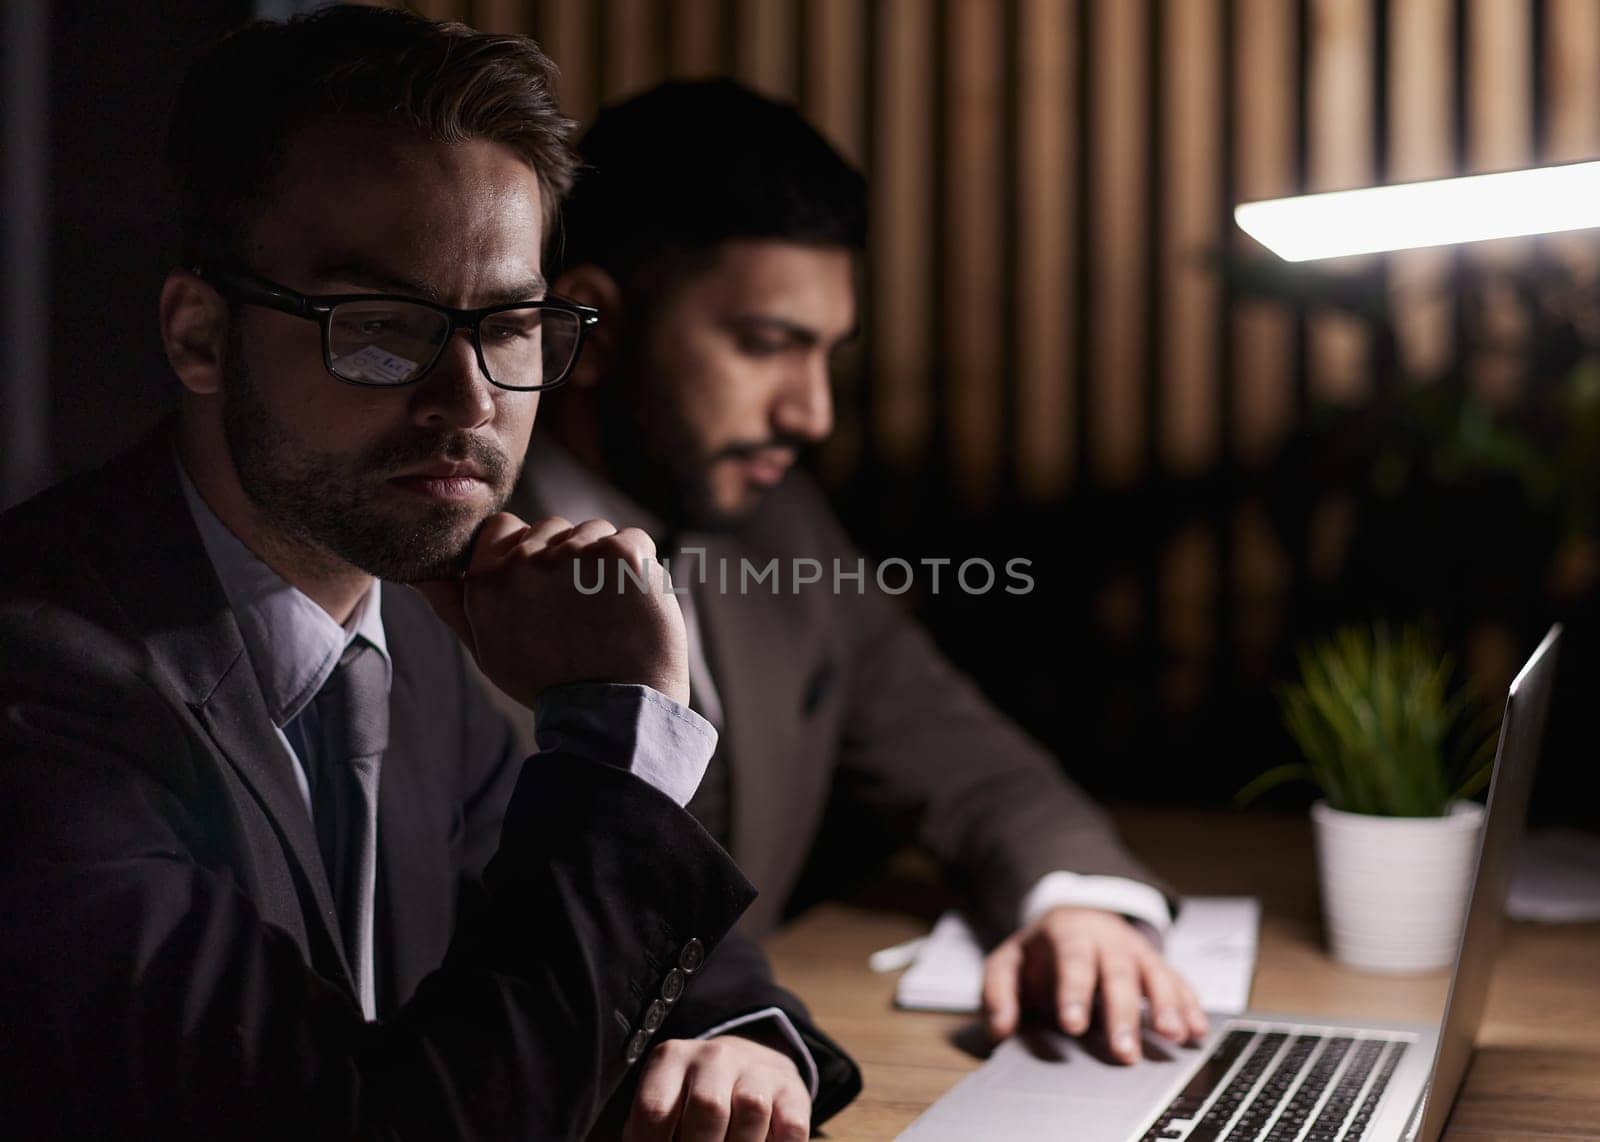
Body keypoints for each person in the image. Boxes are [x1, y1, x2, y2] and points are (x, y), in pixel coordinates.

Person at [0, 13, 858, 1140]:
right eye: (380, 326)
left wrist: (742, 1032)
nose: (468, 403)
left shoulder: (398, 607)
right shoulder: (41, 686)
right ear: (200, 336)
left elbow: (575, 920)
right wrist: (617, 733)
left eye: (508, 324)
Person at [517, 79, 1212, 1066]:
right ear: (587, 321)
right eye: (765, 344)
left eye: (828, 354)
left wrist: (1081, 905)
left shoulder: (777, 520)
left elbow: (968, 757)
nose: (811, 414)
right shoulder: (429, 566)